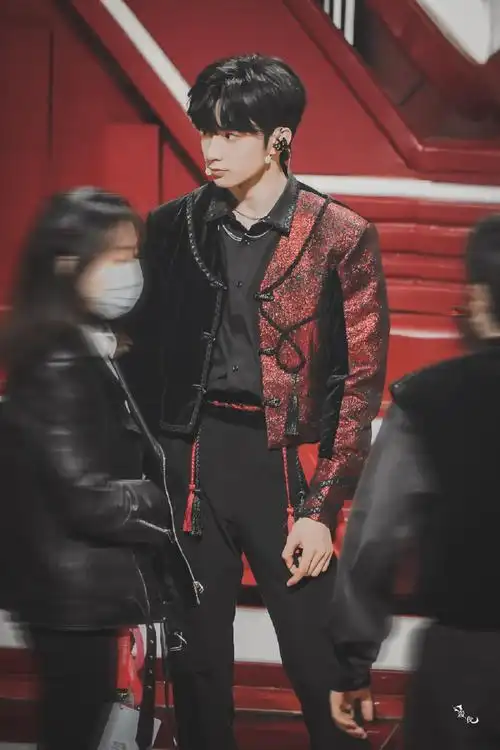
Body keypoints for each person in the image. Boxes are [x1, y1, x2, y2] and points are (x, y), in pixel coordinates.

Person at [124, 54, 389, 750]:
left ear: (278, 139)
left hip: (280, 465)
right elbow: (142, 364)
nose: (210, 149)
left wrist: (322, 510)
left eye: (229, 133)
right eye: (205, 131)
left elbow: (358, 384)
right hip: (189, 461)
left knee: (318, 660)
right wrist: (146, 482)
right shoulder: (173, 226)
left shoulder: (339, 235)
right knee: (198, 668)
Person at [0, 188, 200, 750]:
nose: (130, 271)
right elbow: (84, 496)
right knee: (74, 729)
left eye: (133, 255)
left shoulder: (92, 347)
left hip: (78, 592)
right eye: (116, 256)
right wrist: (168, 498)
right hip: (70, 599)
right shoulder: (60, 360)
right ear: (69, 265)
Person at [329, 215, 500, 749]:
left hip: (467, 666)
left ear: (479, 297)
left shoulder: (428, 401)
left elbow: (376, 539)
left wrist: (352, 663)